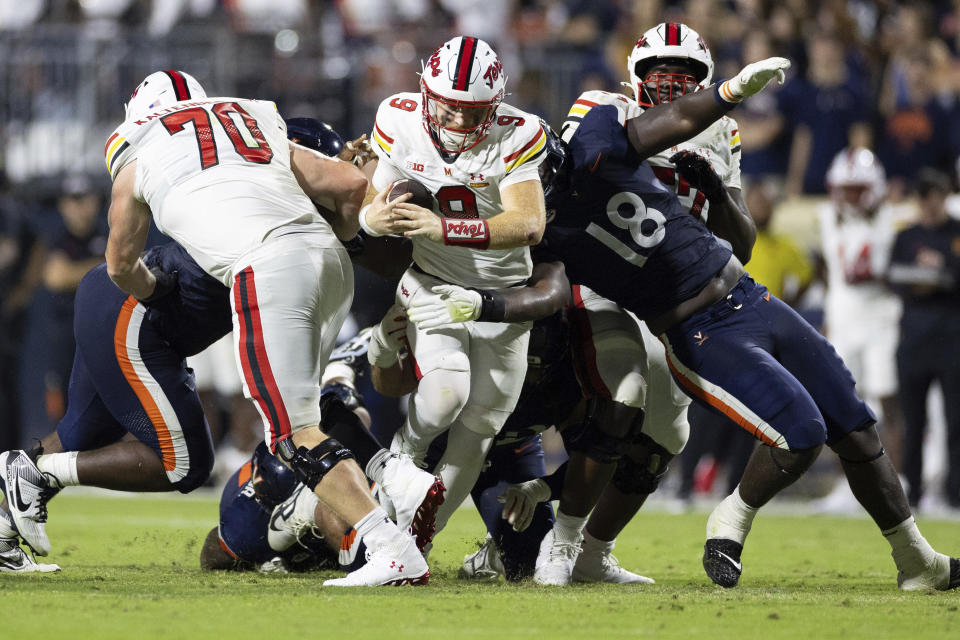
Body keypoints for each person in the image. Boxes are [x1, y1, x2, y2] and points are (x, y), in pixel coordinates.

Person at [538, 58, 960, 590]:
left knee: (854, 421)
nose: (540, 174)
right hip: (694, 327)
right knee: (797, 432)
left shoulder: (600, 143)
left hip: (747, 293)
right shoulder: (543, 235)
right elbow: (530, 277)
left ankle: (917, 561)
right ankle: (727, 518)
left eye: (542, 161)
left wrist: (730, 98)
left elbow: (672, 124)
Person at [0, 72, 430, 587]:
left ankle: (14, 500)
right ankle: (35, 472)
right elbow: (352, 187)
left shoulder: (168, 157)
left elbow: (121, 264)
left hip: (186, 289)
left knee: (81, 433)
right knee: (186, 463)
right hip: (137, 309)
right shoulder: (253, 128)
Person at [359, 36, 549, 543]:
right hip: (433, 282)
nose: (462, 122)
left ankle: (415, 543)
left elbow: (529, 225)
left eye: (474, 111)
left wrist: (440, 228)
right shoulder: (398, 119)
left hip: (502, 296)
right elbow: (375, 205)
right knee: (445, 394)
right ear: (425, 92)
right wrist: (372, 218)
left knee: (481, 426)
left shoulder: (519, 131)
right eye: (450, 107)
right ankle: (402, 459)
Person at [887, 169, 960, 508]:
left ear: (945, 195)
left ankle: (954, 494)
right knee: (913, 421)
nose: (929, 203)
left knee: (955, 421)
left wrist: (939, 276)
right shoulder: (906, 236)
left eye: (934, 195)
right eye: (923, 196)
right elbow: (894, 278)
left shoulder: (956, 233)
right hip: (914, 338)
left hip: (951, 339)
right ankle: (913, 495)